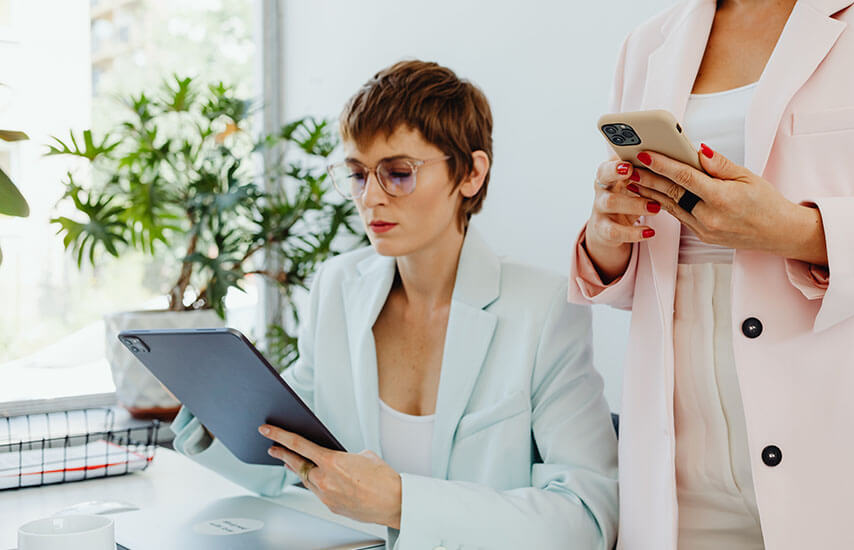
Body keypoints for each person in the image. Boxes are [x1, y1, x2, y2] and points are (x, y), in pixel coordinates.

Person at [571, 0, 854, 548]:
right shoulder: (648, 42)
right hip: (681, 473)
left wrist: (799, 231)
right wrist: (608, 237)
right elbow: (659, 264)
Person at [172, 60, 618, 550]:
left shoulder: (543, 307)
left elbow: (586, 518)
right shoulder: (338, 287)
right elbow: (293, 468)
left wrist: (401, 502)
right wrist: (211, 404)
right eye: (359, 175)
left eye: (398, 173)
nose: (371, 198)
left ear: (471, 173)